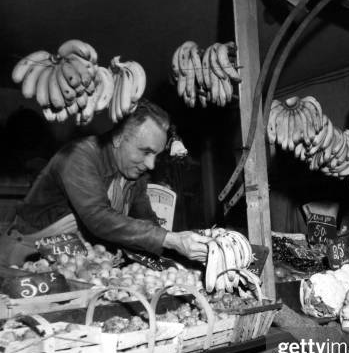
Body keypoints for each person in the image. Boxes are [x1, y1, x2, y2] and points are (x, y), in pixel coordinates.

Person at [0, 99, 209, 265]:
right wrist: (172, 240)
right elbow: (99, 218)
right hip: (26, 258)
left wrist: (180, 250)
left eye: (156, 155)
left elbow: (146, 222)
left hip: (76, 265)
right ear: (118, 138)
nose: (152, 164)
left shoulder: (135, 174)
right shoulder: (79, 156)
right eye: (145, 152)